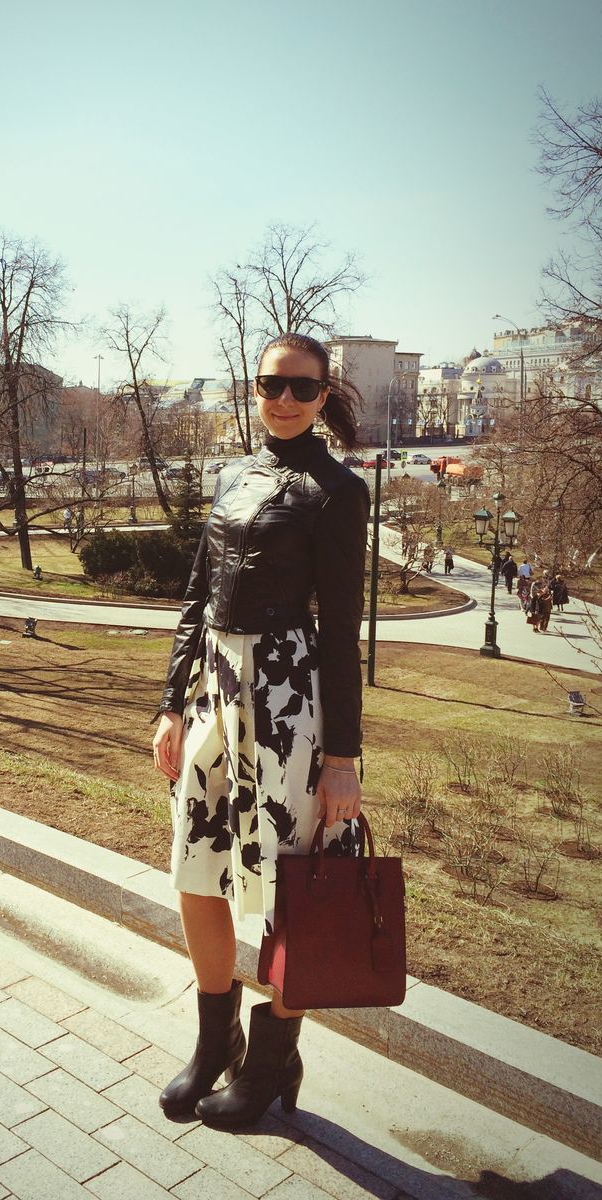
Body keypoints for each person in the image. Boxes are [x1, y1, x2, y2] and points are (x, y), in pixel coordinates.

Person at [152, 332, 369, 1129]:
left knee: (292, 887)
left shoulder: (338, 492)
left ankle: (274, 1058)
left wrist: (342, 759)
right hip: (214, 691)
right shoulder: (232, 476)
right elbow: (194, 597)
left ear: (323, 396)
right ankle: (218, 1047)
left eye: (301, 389)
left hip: (288, 703)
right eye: (270, 384)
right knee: (194, 871)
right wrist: (171, 704)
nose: (282, 400)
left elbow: (343, 631)